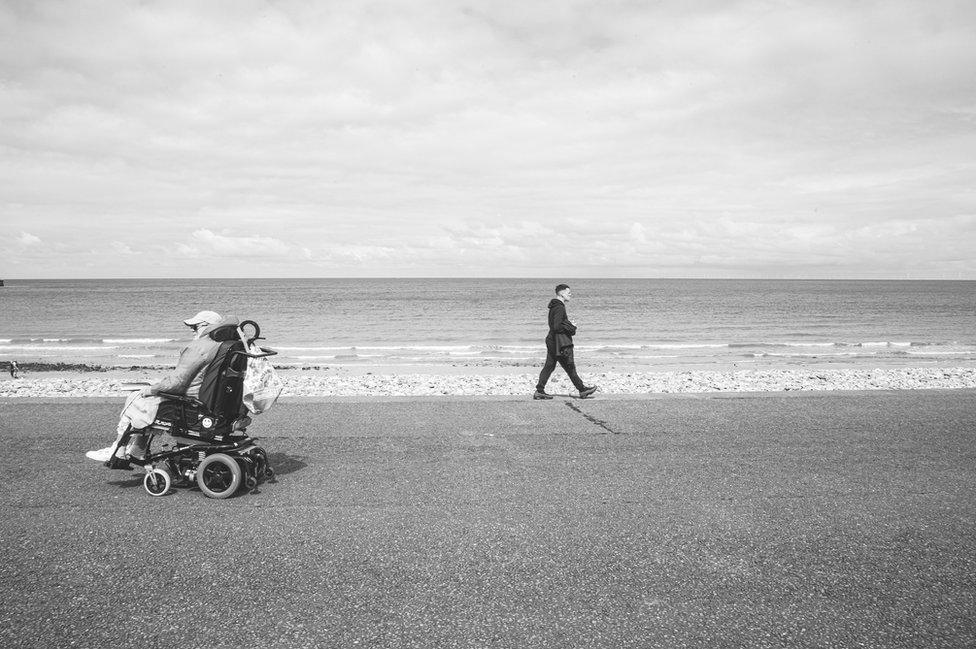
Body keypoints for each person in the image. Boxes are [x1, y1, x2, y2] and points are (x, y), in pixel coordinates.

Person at [86, 310, 236, 465]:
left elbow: (177, 383)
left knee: (136, 397)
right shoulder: (222, 346)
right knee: (147, 399)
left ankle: (118, 448)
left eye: (195, 326)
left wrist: (152, 389)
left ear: (206, 325)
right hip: (212, 400)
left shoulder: (199, 348)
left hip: (190, 402)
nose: (192, 330)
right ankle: (137, 449)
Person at [534, 284, 598, 400]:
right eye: (569, 293)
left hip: (553, 340)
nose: (570, 294)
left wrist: (568, 324)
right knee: (569, 366)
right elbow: (557, 326)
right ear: (562, 293)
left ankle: (539, 391)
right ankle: (582, 390)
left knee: (550, 366)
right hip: (558, 343)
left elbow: (555, 325)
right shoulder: (559, 307)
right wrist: (571, 326)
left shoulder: (555, 306)